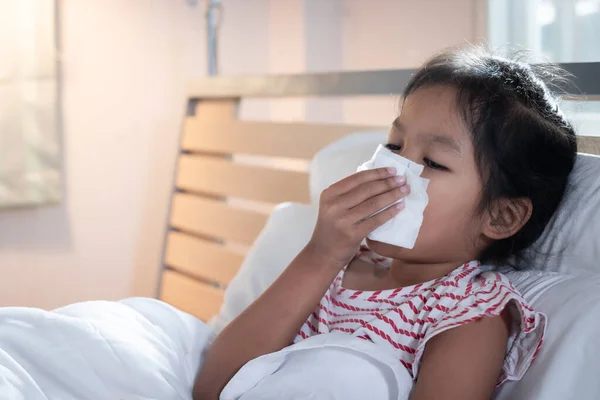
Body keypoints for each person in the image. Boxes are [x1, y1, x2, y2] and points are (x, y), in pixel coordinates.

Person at [192, 47, 577, 400]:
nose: (394, 170)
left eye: (433, 162)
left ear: (500, 216)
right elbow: (214, 387)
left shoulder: (468, 313)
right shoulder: (333, 268)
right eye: (394, 146)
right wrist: (321, 255)